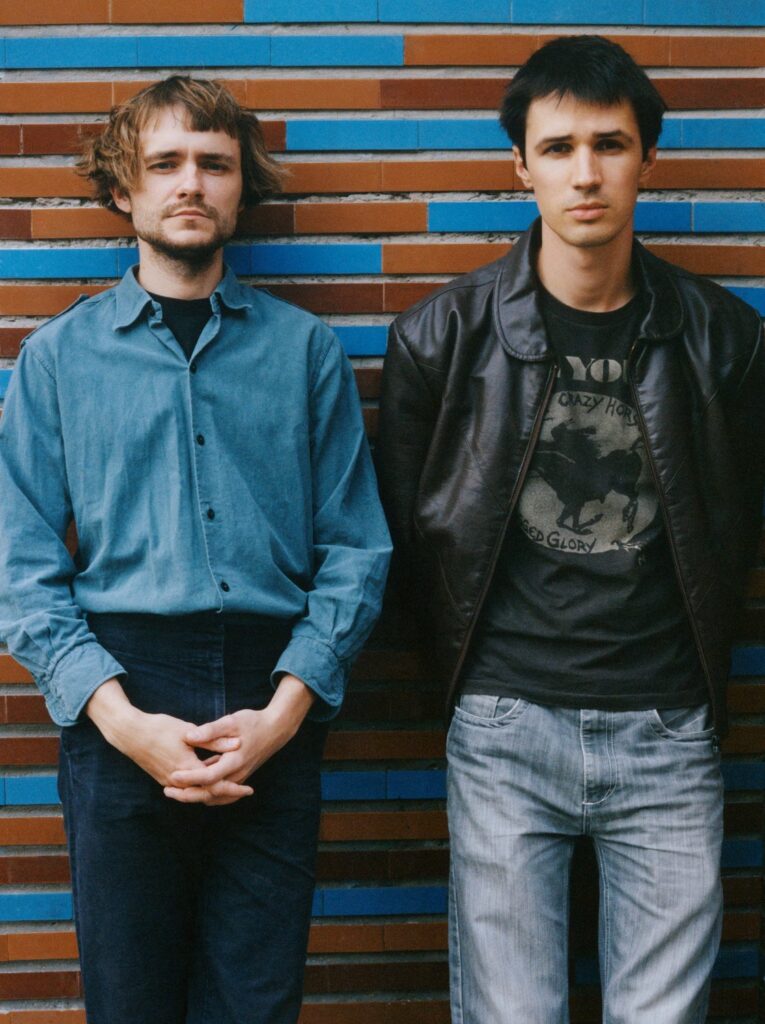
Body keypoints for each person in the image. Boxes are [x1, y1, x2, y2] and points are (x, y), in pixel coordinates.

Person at [377, 35, 764, 1024]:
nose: (584, 173)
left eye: (609, 145)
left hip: (667, 725)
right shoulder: (442, 337)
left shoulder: (724, 339)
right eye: (557, 148)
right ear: (520, 165)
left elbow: (736, 526)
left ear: (648, 159)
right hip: (505, 725)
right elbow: (407, 545)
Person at [0, 75, 391, 1024]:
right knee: (130, 1001)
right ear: (121, 189)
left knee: (256, 1002)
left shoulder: (304, 352)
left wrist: (284, 713)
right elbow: (21, 566)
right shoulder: (59, 359)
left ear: (240, 187)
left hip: (274, 692)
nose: (190, 183)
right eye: (164, 163)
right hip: (122, 690)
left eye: (213, 164)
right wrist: (122, 721)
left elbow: (355, 547)